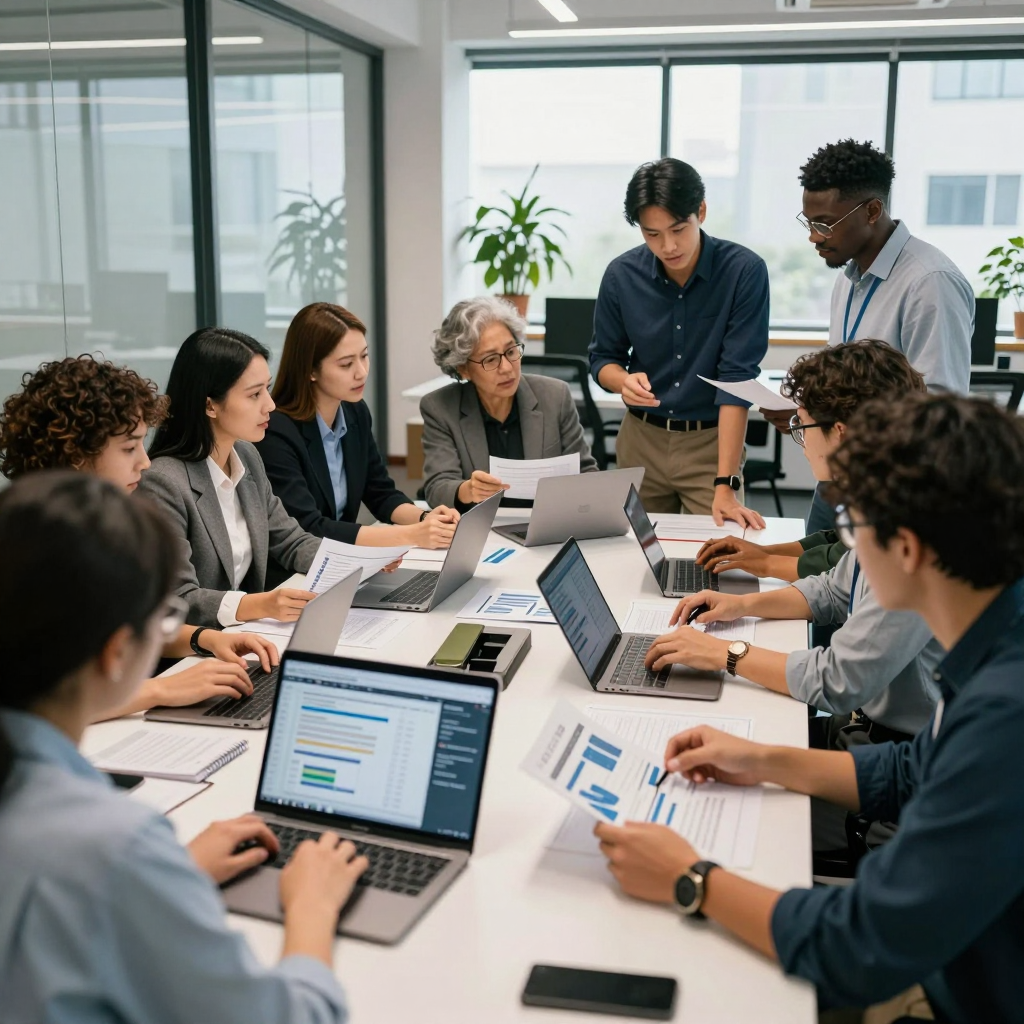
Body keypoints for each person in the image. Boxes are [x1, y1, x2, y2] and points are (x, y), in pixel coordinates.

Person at [595, 393, 1024, 1024]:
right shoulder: (994, 644)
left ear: (904, 549)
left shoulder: (1004, 717)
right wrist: (763, 758)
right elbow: (910, 772)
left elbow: (860, 946)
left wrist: (692, 878)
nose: (849, 553)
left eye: (854, 528)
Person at [0, 471, 367, 1022]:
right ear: (116, 653)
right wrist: (312, 907)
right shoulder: (112, 845)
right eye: (164, 615)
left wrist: (170, 880)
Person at [0, 355, 276, 718]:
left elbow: (129, 630)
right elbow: (35, 702)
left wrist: (205, 638)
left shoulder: (95, 526)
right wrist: (158, 690)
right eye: (129, 448)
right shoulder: (31, 548)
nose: (145, 463)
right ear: (77, 454)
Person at [788, 138, 974, 534]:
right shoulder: (848, 278)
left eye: (825, 224)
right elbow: (845, 381)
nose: (814, 237)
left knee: (857, 592)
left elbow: (938, 408)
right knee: (815, 584)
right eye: (809, 223)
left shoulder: (930, 282)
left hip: (889, 489)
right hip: (839, 474)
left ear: (873, 211)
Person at [589, 158, 769, 528]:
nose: (668, 246)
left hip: (710, 444)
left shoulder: (743, 272)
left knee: (716, 559)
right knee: (633, 559)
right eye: (652, 234)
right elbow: (602, 359)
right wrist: (622, 381)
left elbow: (737, 382)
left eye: (678, 229)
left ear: (700, 211)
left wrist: (726, 482)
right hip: (640, 439)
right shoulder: (621, 275)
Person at [696, 340, 924, 584]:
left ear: (841, 432)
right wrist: (760, 553)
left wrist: (763, 563)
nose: (802, 442)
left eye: (803, 426)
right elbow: (836, 544)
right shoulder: (887, 484)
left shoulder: (896, 515)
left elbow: (839, 574)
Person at [139, 328, 323, 628]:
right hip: (195, 653)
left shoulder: (246, 455)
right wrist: (259, 604)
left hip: (247, 635)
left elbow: (290, 540)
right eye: (254, 395)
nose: (270, 405)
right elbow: (177, 598)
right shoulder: (163, 482)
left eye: (268, 389)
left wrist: (357, 564)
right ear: (210, 405)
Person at [257, 302, 460, 549]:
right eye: (346, 364)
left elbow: (380, 492)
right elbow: (308, 527)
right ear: (310, 370)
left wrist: (426, 519)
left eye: (364, 356)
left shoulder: (355, 412)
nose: (362, 372)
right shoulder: (276, 431)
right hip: (295, 573)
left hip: (342, 563)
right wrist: (413, 535)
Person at [421, 295, 598, 511]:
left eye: (511, 351)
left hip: (545, 525)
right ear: (463, 369)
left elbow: (586, 472)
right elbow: (437, 488)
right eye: (491, 359)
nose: (506, 368)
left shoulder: (554, 396)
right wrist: (467, 490)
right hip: (481, 531)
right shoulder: (440, 408)